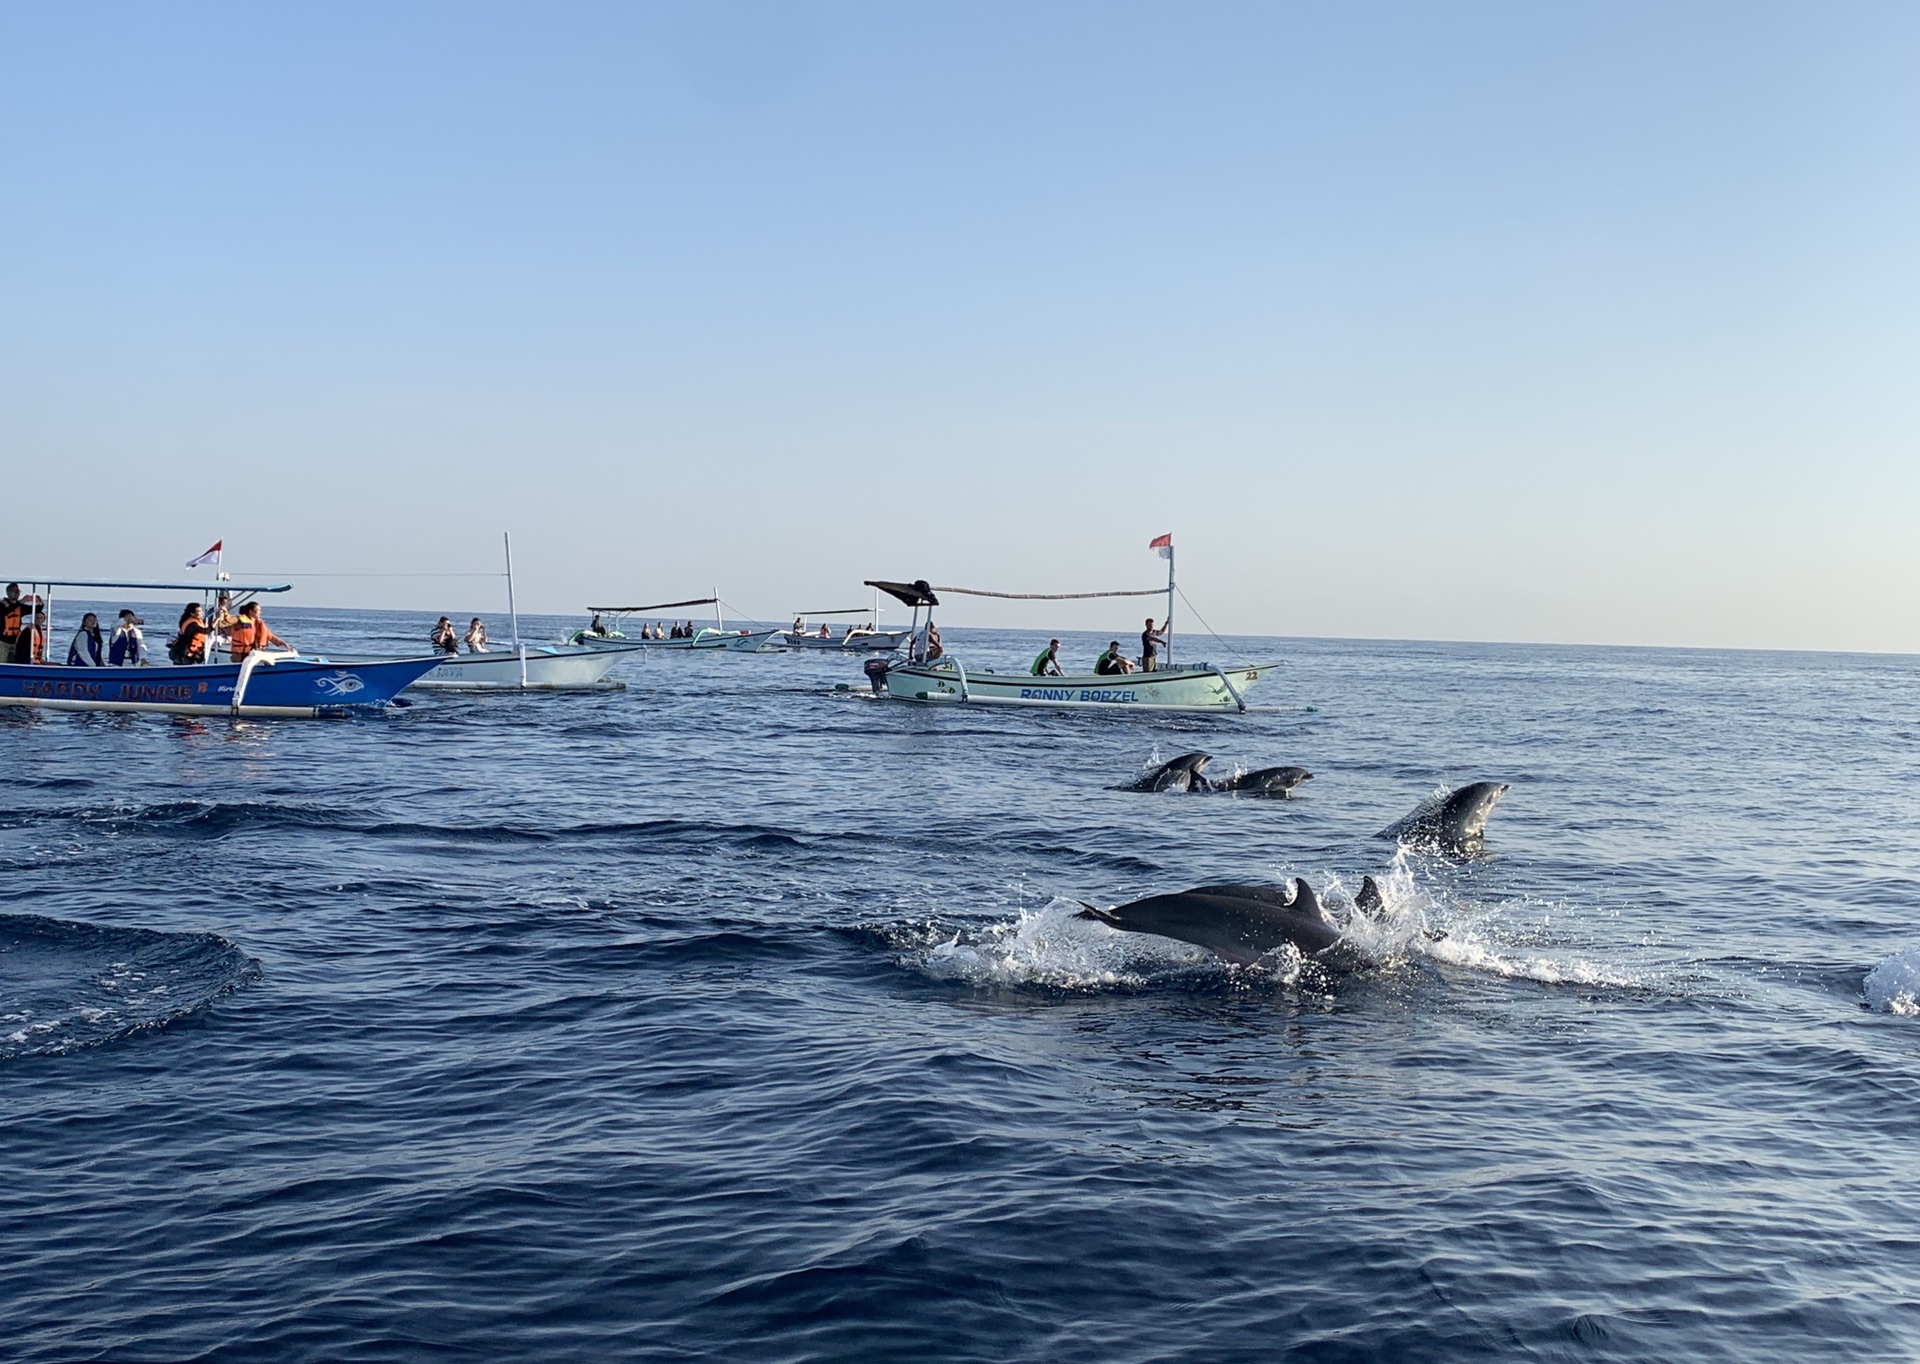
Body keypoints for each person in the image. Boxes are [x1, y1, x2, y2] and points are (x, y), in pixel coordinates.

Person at [3, 583, 42, 658]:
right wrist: (21, 601)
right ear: (8, 592)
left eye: (18, 591)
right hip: (2, 642)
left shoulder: (20, 607)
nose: (17, 593)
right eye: (14, 591)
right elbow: (7, 611)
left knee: (13, 664)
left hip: (15, 642)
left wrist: (39, 602)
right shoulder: (2, 605)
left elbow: (35, 609)